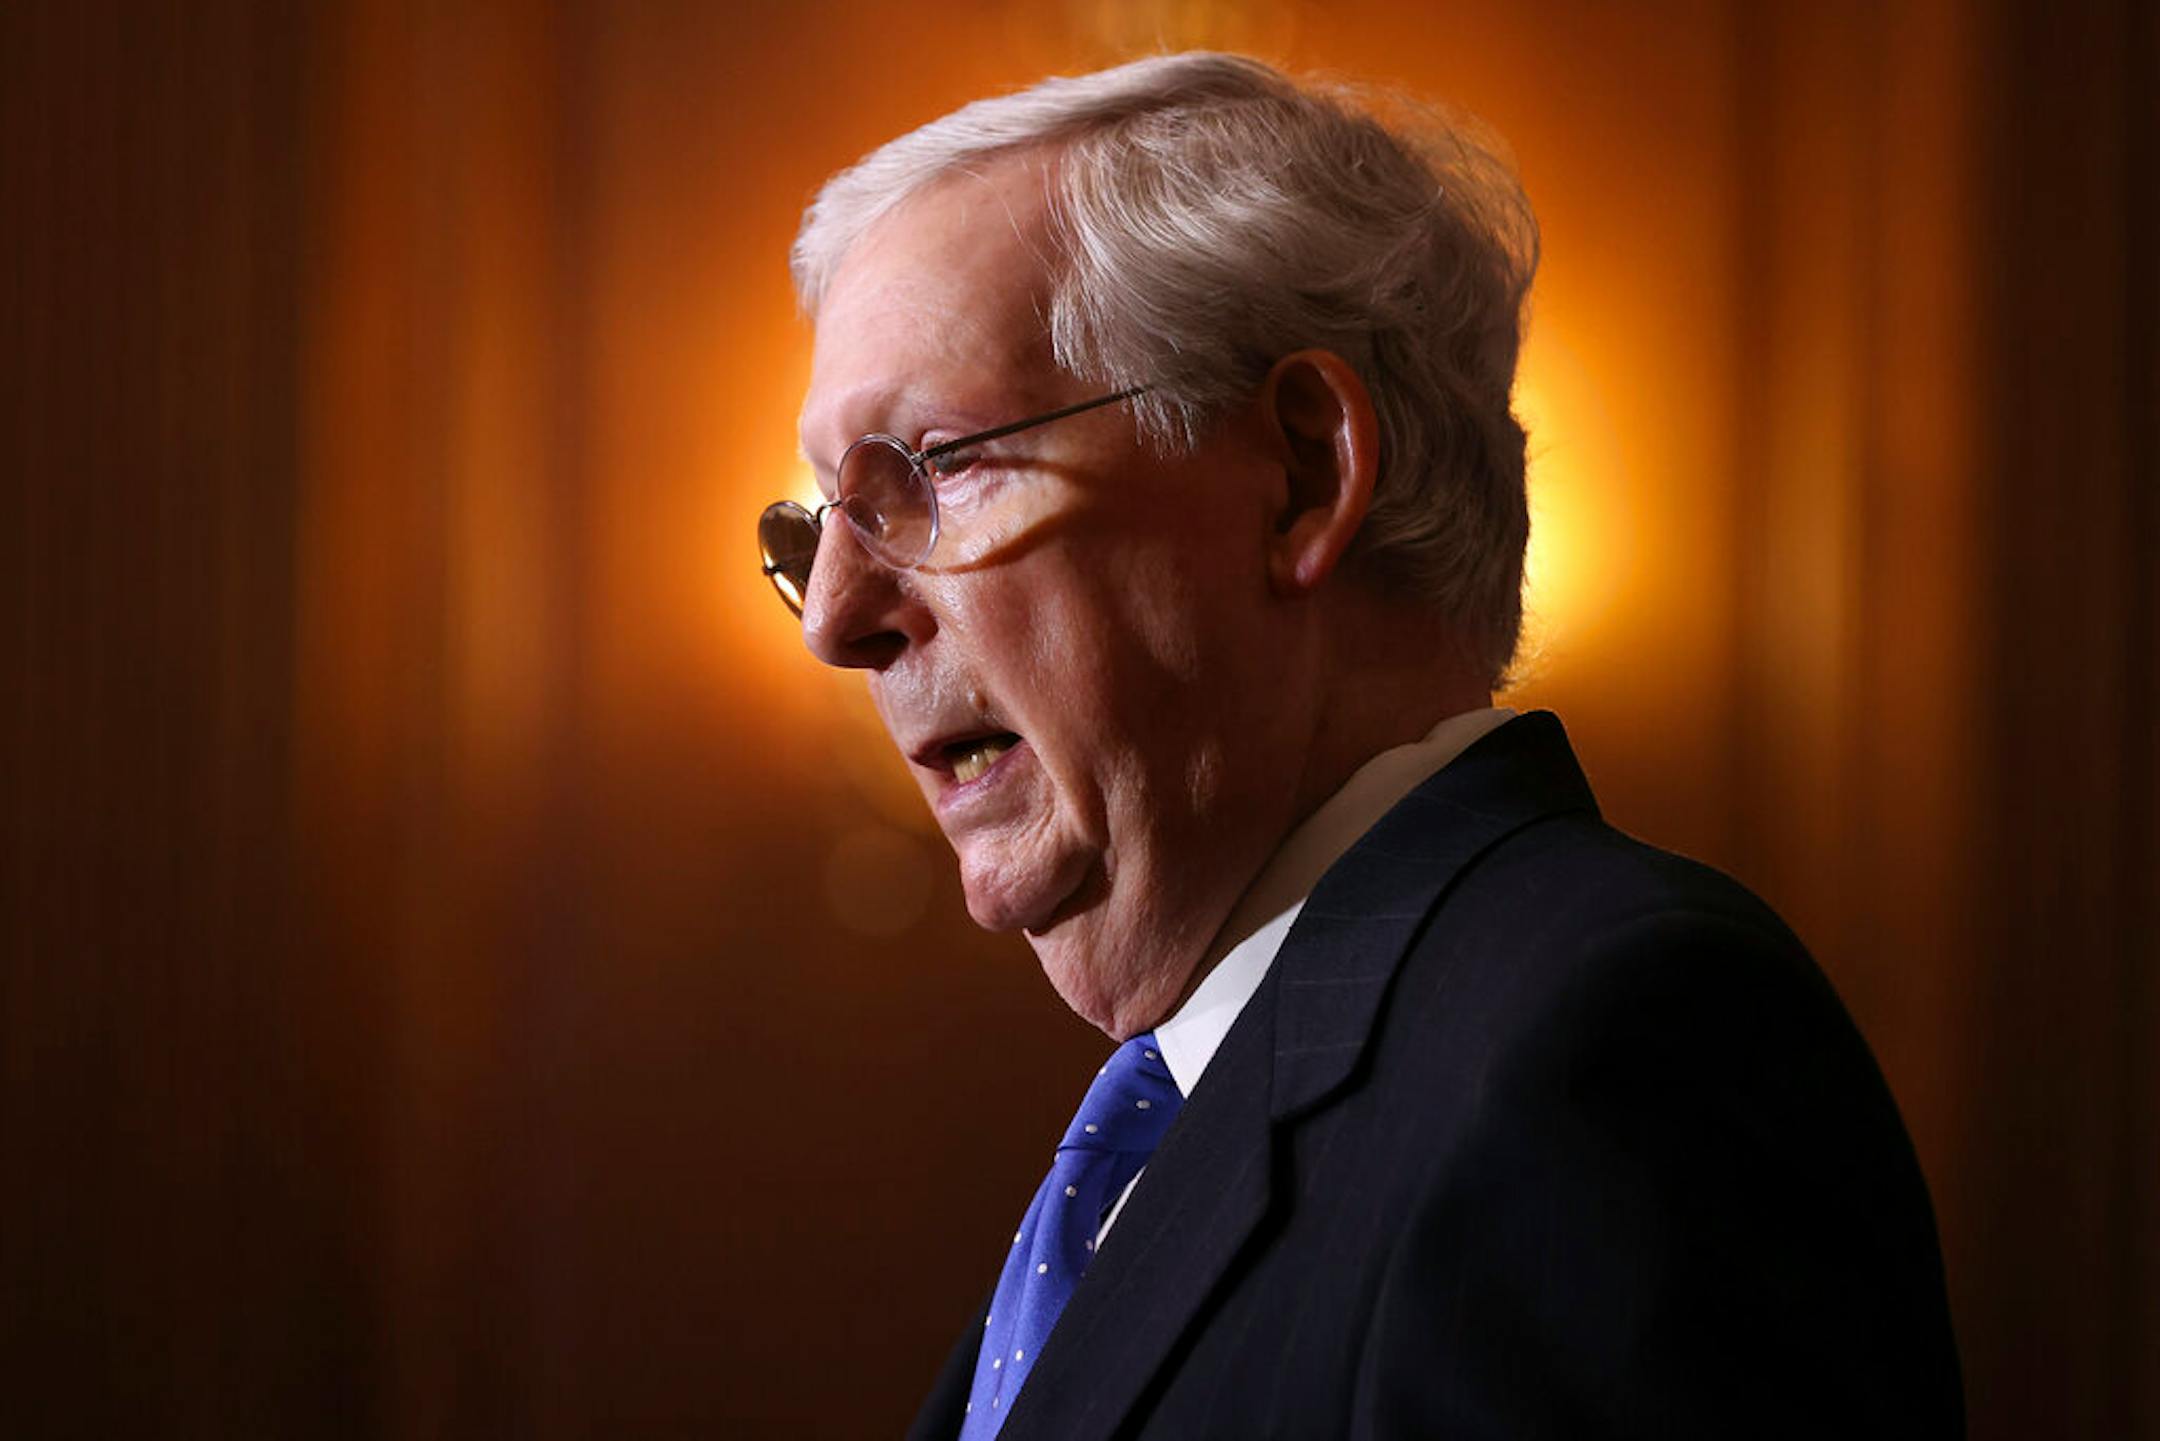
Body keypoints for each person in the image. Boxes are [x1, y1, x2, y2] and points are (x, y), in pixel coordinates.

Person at [757, 51, 1963, 1440]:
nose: (834, 620)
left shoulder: (1615, 1054)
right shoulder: (1171, 1133)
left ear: (1305, 475)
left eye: (939, 464)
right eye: (821, 521)